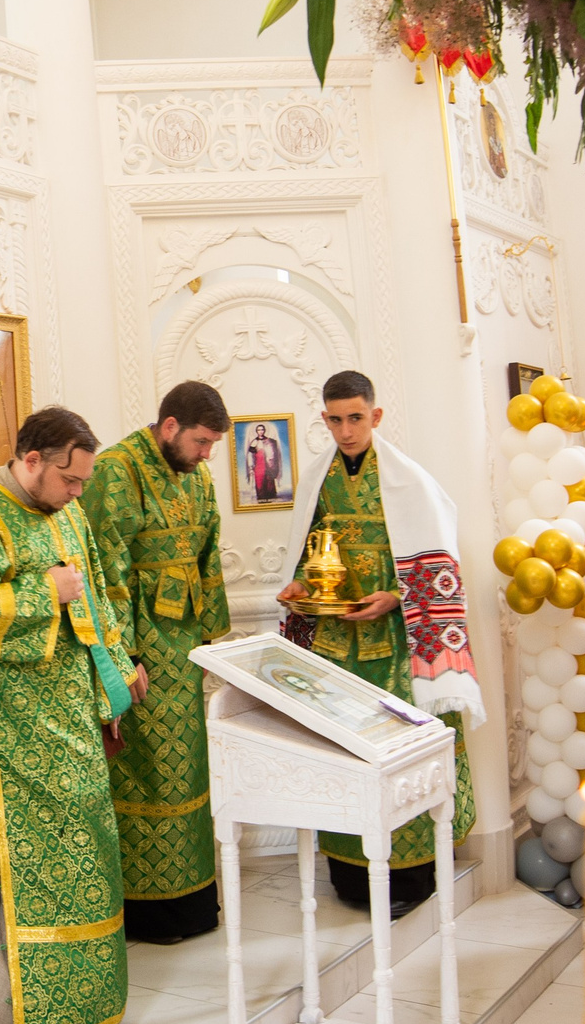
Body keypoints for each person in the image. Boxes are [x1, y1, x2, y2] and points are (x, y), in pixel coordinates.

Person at [0, 406, 132, 1024]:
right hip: (6, 735)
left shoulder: (64, 512)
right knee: (21, 861)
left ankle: (83, 1005)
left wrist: (119, 670)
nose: (78, 494)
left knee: (85, 847)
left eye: (84, 483)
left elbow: (93, 592)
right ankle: (13, 1016)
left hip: (68, 720)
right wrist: (44, 591)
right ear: (33, 460)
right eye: (70, 480)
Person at [273, 371, 484, 914]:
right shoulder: (317, 480)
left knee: (398, 755)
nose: (346, 430)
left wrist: (394, 595)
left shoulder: (409, 481)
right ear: (325, 419)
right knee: (342, 754)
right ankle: (349, 874)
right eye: (335, 419)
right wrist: (298, 586)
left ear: (376, 416)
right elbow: (308, 549)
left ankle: (411, 878)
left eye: (356, 418)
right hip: (335, 644)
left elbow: (438, 560)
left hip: (394, 646)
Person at [80, 381, 232, 943]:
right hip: (142, 650)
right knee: (145, 774)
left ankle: (192, 897)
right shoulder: (119, 470)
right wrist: (125, 656)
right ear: (169, 427)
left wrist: (216, 637)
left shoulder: (200, 475)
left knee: (188, 769)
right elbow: (106, 568)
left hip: (186, 646)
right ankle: (146, 907)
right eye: (200, 441)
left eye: (213, 443)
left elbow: (208, 552)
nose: (207, 453)